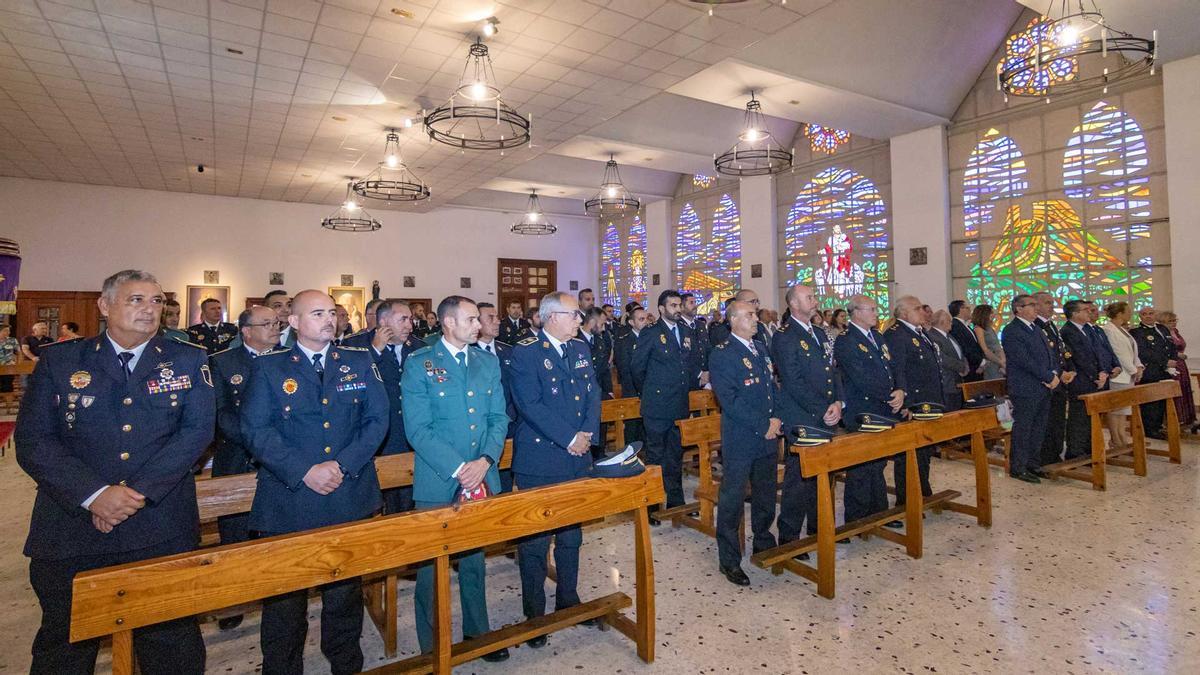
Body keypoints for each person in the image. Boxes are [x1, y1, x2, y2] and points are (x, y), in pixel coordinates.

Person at [16, 269, 213, 674]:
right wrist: (95, 495)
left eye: (156, 301)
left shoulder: (187, 359)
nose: (149, 309)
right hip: (74, 524)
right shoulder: (62, 359)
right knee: (66, 641)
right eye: (136, 299)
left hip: (158, 523)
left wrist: (135, 493)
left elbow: (195, 433)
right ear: (105, 306)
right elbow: (35, 441)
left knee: (171, 638)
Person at [241, 290, 388, 675]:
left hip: (347, 493)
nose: (328, 320)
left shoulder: (357, 360)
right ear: (293, 322)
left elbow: (377, 420)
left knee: (344, 597)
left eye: (332, 313)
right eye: (317, 313)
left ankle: (345, 665)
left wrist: (343, 464)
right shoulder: (270, 367)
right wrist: (305, 469)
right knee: (285, 604)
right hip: (290, 498)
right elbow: (256, 430)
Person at [401, 296, 509, 663]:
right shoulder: (420, 364)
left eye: (478, 319)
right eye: (471, 319)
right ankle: (431, 647)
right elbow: (417, 428)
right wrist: (460, 467)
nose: (478, 325)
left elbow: (498, 418)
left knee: (475, 561)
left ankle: (478, 632)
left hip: (481, 472)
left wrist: (485, 460)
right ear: (448, 322)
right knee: (431, 570)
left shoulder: (487, 361)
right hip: (438, 478)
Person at [509, 291, 601, 645]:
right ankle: (534, 612)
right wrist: (568, 437)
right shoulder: (526, 353)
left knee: (571, 535)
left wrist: (587, 435)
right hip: (542, 459)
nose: (580, 320)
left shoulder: (580, 349)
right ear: (551, 317)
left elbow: (593, 392)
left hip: (577, 456)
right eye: (574, 314)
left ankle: (568, 598)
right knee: (535, 541)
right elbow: (529, 404)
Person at [208, 304, 279, 631]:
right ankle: (232, 599)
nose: (275, 328)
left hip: (280, 458)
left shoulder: (288, 357)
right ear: (246, 331)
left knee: (276, 529)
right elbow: (221, 415)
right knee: (234, 533)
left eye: (276, 323)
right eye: (267, 324)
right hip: (238, 457)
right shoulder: (223, 362)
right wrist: (256, 441)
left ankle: (277, 592)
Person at [709, 300, 781, 586]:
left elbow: (770, 389)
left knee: (765, 494)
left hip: (766, 437)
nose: (755, 319)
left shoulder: (761, 348)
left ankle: (764, 540)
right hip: (741, 438)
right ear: (733, 320)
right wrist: (763, 424)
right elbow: (730, 400)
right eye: (750, 315)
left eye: (755, 315)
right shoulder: (722, 354)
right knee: (732, 500)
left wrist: (776, 419)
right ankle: (729, 559)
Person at [771, 285, 841, 560]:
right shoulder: (785, 336)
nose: (816, 301)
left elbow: (832, 371)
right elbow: (793, 381)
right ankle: (789, 537)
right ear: (793, 304)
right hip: (802, 416)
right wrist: (823, 407)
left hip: (825, 413)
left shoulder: (819, 332)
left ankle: (817, 528)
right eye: (810, 297)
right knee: (798, 479)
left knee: (822, 474)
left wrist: (838, 402)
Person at [632, 289, 702, 519]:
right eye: (673, 305)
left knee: (674, 455)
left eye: (679, 305)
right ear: (661, 309)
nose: (678, 309)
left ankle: (675, 500)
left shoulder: (685, 330)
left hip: (679, 404)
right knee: (655, 455)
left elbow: (690, 365)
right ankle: (651, 505)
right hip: (657, 404)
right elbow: (637, 368)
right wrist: (650, 392)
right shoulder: (651, 333)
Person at [835, 295, 904, 523]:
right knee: (862, 465)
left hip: (883, 407)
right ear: (856, 312)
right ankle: (856, 518)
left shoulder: (877, 335)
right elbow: (860, 377)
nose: (876, 313)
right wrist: (888, 395)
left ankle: (879, 512)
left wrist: (901, 390)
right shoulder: (846, 340)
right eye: (872, 309)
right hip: (862, 408)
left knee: (879, 462)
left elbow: (892, 365)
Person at [364, 300, 423, 512]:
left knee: (410, 502)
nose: (410, 325)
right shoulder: (360, 347)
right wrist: (376, 351)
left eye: (410, 319)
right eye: (403, 320)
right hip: (380, 439)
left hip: (412, 435)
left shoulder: (419, 348)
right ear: (383, 322)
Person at [885, 295, 943, 507]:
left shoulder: (919, 332)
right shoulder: (896, 335)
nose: (923, 312)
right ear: (904, 313)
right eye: (918, 308)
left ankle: (923, 489)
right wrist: (906, 402)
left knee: (924, 450)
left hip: (927, 401)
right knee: (909, 455)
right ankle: (907, 498)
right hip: (913, 402)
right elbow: (897, 371)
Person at [1001, 294, 1060, 483]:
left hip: (1043, 386)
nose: (1036, 308)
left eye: (1036, 305)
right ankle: (1018, 467)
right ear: (1018, 309)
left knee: (1039, 428)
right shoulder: (1012, 330)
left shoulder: (1036, 328)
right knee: (1024, 428)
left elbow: (1050, 354)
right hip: (1025, 387)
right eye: (1031, 305)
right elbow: (1023, 360)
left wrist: (1054, 373)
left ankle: (1033, 463)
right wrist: (1048, 376)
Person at [1060, 299, 1109, 460]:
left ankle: (1090, 450)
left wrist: (1103, 371)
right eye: (1085, 310)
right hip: (1081, 380)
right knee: (1079, 418)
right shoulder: (1068, 331)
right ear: (1074, 314)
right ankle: (1076, 452)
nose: (1089, 312)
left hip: (1095, 379)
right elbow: (1079, 358)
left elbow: (1098, 352)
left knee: (1090, 419)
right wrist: (1095, 376)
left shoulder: (1088, 329)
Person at [1033, 292, 1070, 466]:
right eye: (1047, 303)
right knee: (1047, 423)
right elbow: (1042, 356)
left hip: (1059, 381)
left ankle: (1056, 454)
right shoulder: (1036, 325)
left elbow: (1061, 351)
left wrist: (1069, 370)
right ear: (1036, 305)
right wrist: (1058, 372)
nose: (1051, 306)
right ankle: (1046, 457)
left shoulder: (1051, 325)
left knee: (1058, 420)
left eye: (1052, 303)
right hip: (1047, 380)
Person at [1101, 302, 1144, 451]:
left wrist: (1139, 366)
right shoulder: (1109, 330)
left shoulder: (1122, 330)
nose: (1131, 313)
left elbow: (1132, 351)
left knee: (1124, 410)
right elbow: (1118, 353)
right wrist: (1133, 370)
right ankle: (1116, 440)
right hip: (1119, 376)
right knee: (1115, 410)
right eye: (1128, 310)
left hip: (1129, 375)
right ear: (1119, 313)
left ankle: (1122, 438)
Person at [1131, 307, 1177, 440]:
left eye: (1151, 314)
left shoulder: (1162, 329)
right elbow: (1144, 352)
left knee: (1162, 400)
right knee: (1151, 403)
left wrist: (1173, 359)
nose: (1148, 316)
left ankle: (1158, 426)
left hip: (1165, 371)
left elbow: (1171, 346)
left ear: (1155, 315)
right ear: (1140, 317)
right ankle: (1150, 429)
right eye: (1144, 314)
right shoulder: (1137, 332)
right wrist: (1165, 361)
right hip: (1150, 371)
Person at [613, 306, 648, 444]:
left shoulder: (651, 338)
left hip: (649, 391)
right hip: (632, 391)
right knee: (632, 429)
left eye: (646, 318)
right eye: (641, 319)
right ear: (632, 323)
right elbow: (625, 370)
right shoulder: (625, 342)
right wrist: (640, 387)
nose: (645, 322)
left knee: (647, 428)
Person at [1159, 311, 1195, 429]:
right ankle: (1175, 418)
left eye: (1175, 320)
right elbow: (1163, 350)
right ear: (1163, 322)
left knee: (1185, 389)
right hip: (1172, 364)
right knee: (1176, 390)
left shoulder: (1176, 332)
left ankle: (1186, 419)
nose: (1174, 323)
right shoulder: (1162, 334)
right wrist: (1178, 355)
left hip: (1181, 364)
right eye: (1170, 321)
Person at [928, 310, 969, 411]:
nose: (951, 323)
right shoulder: (932, 336)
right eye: (949, 321)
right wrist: (961, 367)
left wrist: (965, 365)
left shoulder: (949, 336)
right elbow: (941, 358)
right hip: (947, 384)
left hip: (957, 383)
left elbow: (960, 353)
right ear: (942, 322)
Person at [949, 300, 985, 381]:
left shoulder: (966, 326)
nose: (970, 310)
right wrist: (981, 362)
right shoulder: (955, 326)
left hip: (977, 368)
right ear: (960, 310)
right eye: (967, 308)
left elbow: (975, 345)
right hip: (970, 368)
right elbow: (963, 348)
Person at [971, 304, 1005, 380]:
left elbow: (998, 346)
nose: (994, 315)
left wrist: (1003, 361)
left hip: (999, 361)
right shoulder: (979, 329)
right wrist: (1000, 362)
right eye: (991, 313)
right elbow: (985, 350)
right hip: (991, 362)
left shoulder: (989, 328)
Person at [680, 292, 710, 371]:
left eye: (695, 303)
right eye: (691, 303)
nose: (695, 306)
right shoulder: (679, 326)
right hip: (688, 373)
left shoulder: (700, 325)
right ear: (682, 307)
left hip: (705, 371)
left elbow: (707, 348)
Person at [0, 323, 19, 392]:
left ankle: (9, 402)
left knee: (8, 386)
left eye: (9, 331)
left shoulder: (13, 340)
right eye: (6, 331)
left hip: (9, 366)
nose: (8, 333)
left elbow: (19, 352)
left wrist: (18, 364)